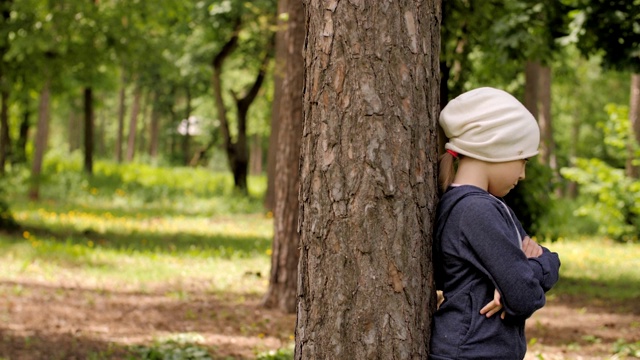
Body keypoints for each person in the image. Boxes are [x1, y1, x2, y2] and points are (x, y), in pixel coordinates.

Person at [429, 87, 561, 360]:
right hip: (471, 351)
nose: (523, 174)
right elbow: (524, 296)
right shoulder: (475, 211)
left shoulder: (486, 206)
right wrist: (519, 278)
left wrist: (529, 270)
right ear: (497, 147)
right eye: (522, 160)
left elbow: (548, 261)